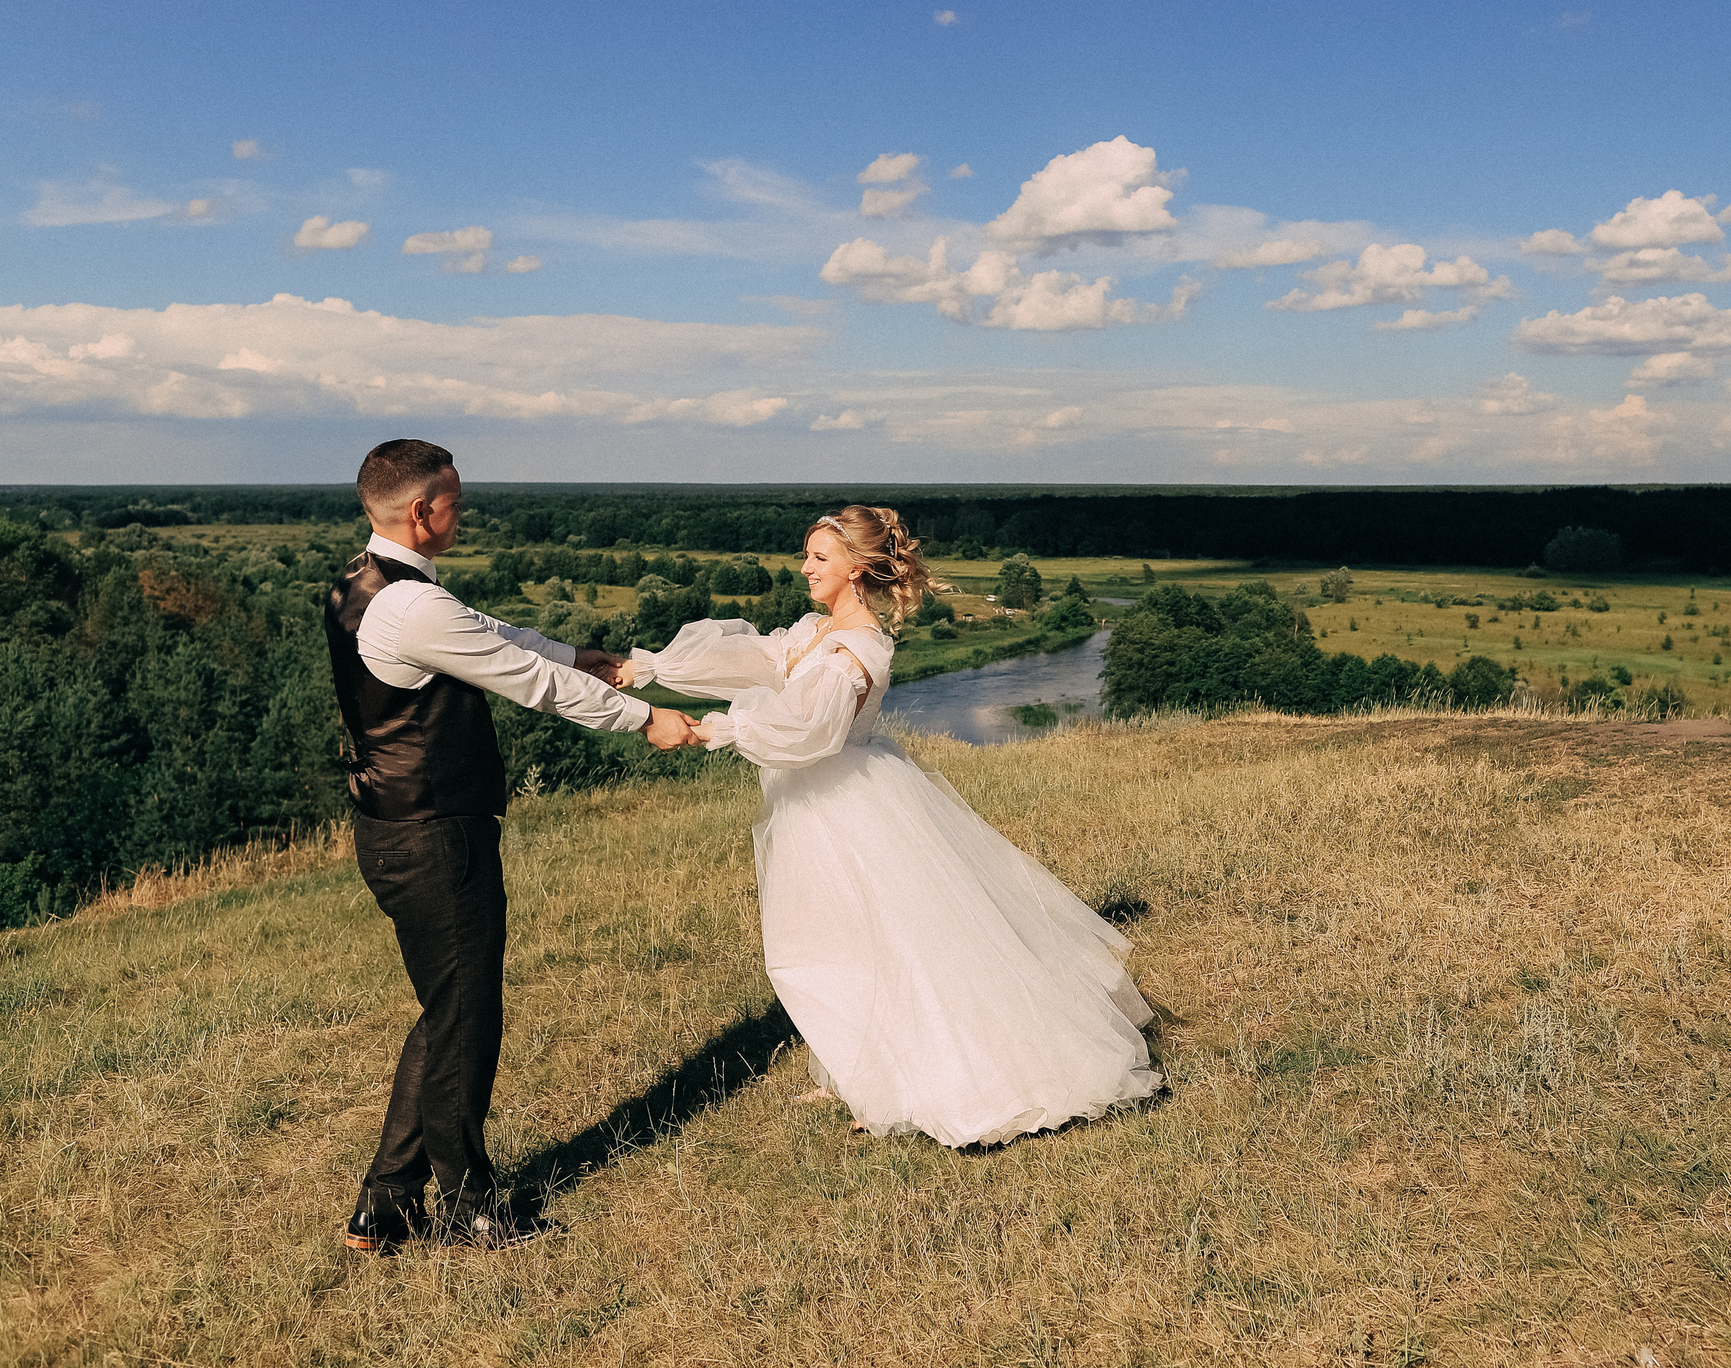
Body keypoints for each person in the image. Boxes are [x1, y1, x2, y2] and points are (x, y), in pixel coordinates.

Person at [620, 505, 1160, 1146]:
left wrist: (719, 728)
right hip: (810, 806)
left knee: (889, 943)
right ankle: (866, 1068)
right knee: (827, 942)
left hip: (850, 804)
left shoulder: (861, 648)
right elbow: (756, 659)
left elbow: (813, 733)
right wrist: (656, 667)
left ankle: (929, 1079)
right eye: (807, 555)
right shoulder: (814, 632)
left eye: (819, 558)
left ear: (858, 569)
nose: (805, 568)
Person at [327, 439, 694, 1254]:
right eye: (456, 499)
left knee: (448, 1009)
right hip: (434, 831)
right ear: (422, 510)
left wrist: (578, 652)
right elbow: (530, 683)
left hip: (395, 825)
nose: (465, 510)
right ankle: (467, 1206)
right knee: (467, 1017)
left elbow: (488, 631)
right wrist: (644, 718)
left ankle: (386, 1204)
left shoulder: (366, 579)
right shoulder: (411, 605)